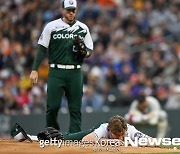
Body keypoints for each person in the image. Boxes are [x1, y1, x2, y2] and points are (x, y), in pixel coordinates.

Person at [29, 0, 93, 133]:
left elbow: (89, 51)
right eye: (68, 10)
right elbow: (41, 48)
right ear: (62, 10)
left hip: (75, 72)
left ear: (76, 10)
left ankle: (74, 137)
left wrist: (84, 52)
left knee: (75, 109)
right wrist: (35, 69)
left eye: (73, 10)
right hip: (56, 71)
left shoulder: (83, 28)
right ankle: (52, 133)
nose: (71, 13)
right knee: (52, 106)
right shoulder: (51, 26)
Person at [11, 115, 151, 144]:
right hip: (94, 131)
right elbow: (86, 140)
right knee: (65, 139)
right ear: (110, 131)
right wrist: (110, 142)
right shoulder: (104, 128)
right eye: (117, 135)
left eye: (122, 135)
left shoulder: (130, 130)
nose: (121, 138)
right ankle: (31, 136)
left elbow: (150, 140)